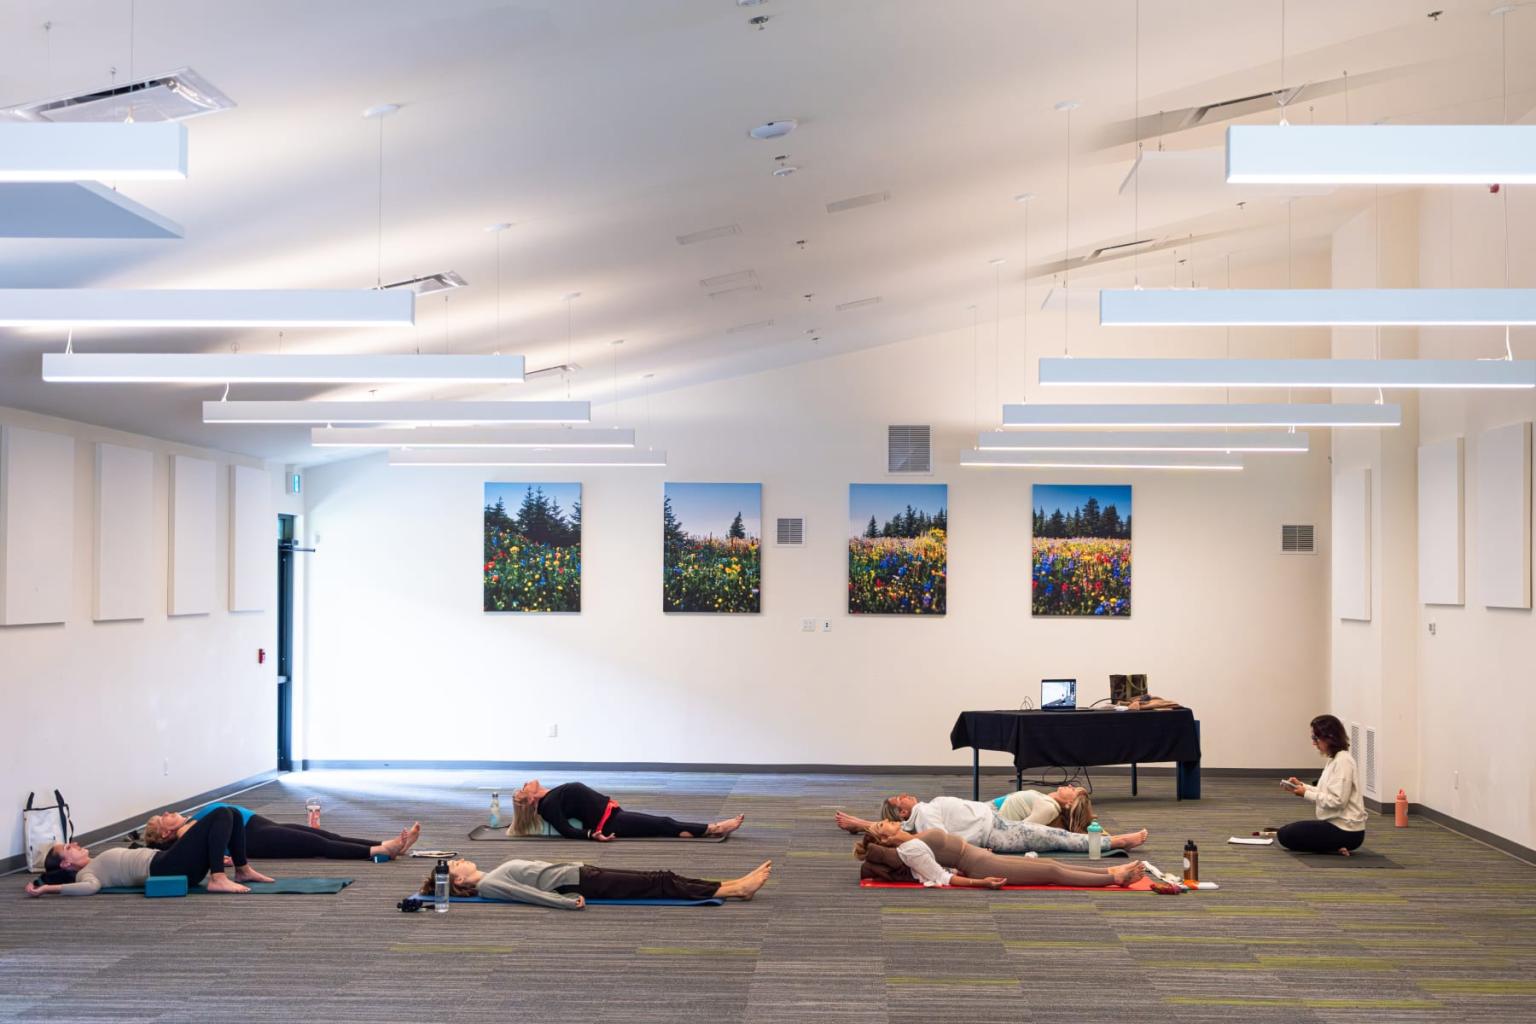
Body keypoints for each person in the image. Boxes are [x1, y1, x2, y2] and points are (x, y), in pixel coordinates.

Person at [25, 805, 272, 897]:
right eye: (69, 848)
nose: (76, 844)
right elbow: (89, 888)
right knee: (220, 813)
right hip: (165, 867)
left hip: (168, 860)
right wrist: (48, 888)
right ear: (66, 864)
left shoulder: (95, 861)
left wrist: (42, 881)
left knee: (233, 814)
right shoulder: (85, 875)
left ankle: (243, 870)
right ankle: (218, 878)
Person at [856, 820, 1146, 889]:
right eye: (883, 824)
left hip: (981, 855)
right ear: (886, 837)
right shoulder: (910, 849)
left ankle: (1109, 872)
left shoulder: (913, 833)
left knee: (1052, 863)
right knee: (1051, 874)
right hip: (980, 867)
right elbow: (940, 878)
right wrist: (981, 883)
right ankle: (1117, 879)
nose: (890, 821)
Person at [834, 794, 1147, 855]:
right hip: (996, 833)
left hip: (994, 820)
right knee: (1054, 837)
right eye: (901, 799)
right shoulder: (924, 815)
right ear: (902, 815)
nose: (906, 795)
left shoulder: (925, 811)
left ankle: (1106, 840)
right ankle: (1113, 843)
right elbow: (940, 841)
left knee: (1054, 835)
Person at [418, 855, 773, 908]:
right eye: (455, 862)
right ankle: (736, 889)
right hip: (581, 883)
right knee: (659, 882)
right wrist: (564, 903)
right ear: (458, 877)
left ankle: (731, 883)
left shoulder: (489, 874)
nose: (461, 859)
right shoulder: (489, 885)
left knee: (660, 878)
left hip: (582, 873)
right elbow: (526, 894)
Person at [143, 802, 421, 861]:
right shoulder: (184, 834)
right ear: (166, 834)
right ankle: (377, 852)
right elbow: (204, 851)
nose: (167, 813)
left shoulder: (190, 821)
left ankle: (388, 843)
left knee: (327, 836)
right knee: (318, 846)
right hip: (257, 839)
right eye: (162, 818)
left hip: (261, 826)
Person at [509, 779, 745, 840]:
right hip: (611, 824)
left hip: (614, 814)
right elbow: (566, 830)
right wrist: (592, 835)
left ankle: (709, 829)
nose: (527, 782)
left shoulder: (549, 796)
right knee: (663, 824)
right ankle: (713, 829)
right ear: (530, 800)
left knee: (662, 824)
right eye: (523, 788)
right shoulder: (548, 806)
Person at [1278, 714, 1366, 856]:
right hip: (1337, 825)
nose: (1314, 743)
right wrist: (1302, 786)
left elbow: (1337, 801)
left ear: (1329, 738)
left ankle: (1336, 844)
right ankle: (1334, 846)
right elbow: (1324, 791)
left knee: (1286, 835)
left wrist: (1305, 794)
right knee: (1285, 832)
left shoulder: (1343, 762)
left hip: (1346, 830)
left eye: (1316, 738)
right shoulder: (1334, 759)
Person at [993, 785, 1095, 831]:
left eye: (1073, 790)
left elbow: (1021, 830)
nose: (1070, 785)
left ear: (1070, 803)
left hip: (990, 819)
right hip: (989, 811)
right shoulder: (1047, 801)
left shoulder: (1049, 809)